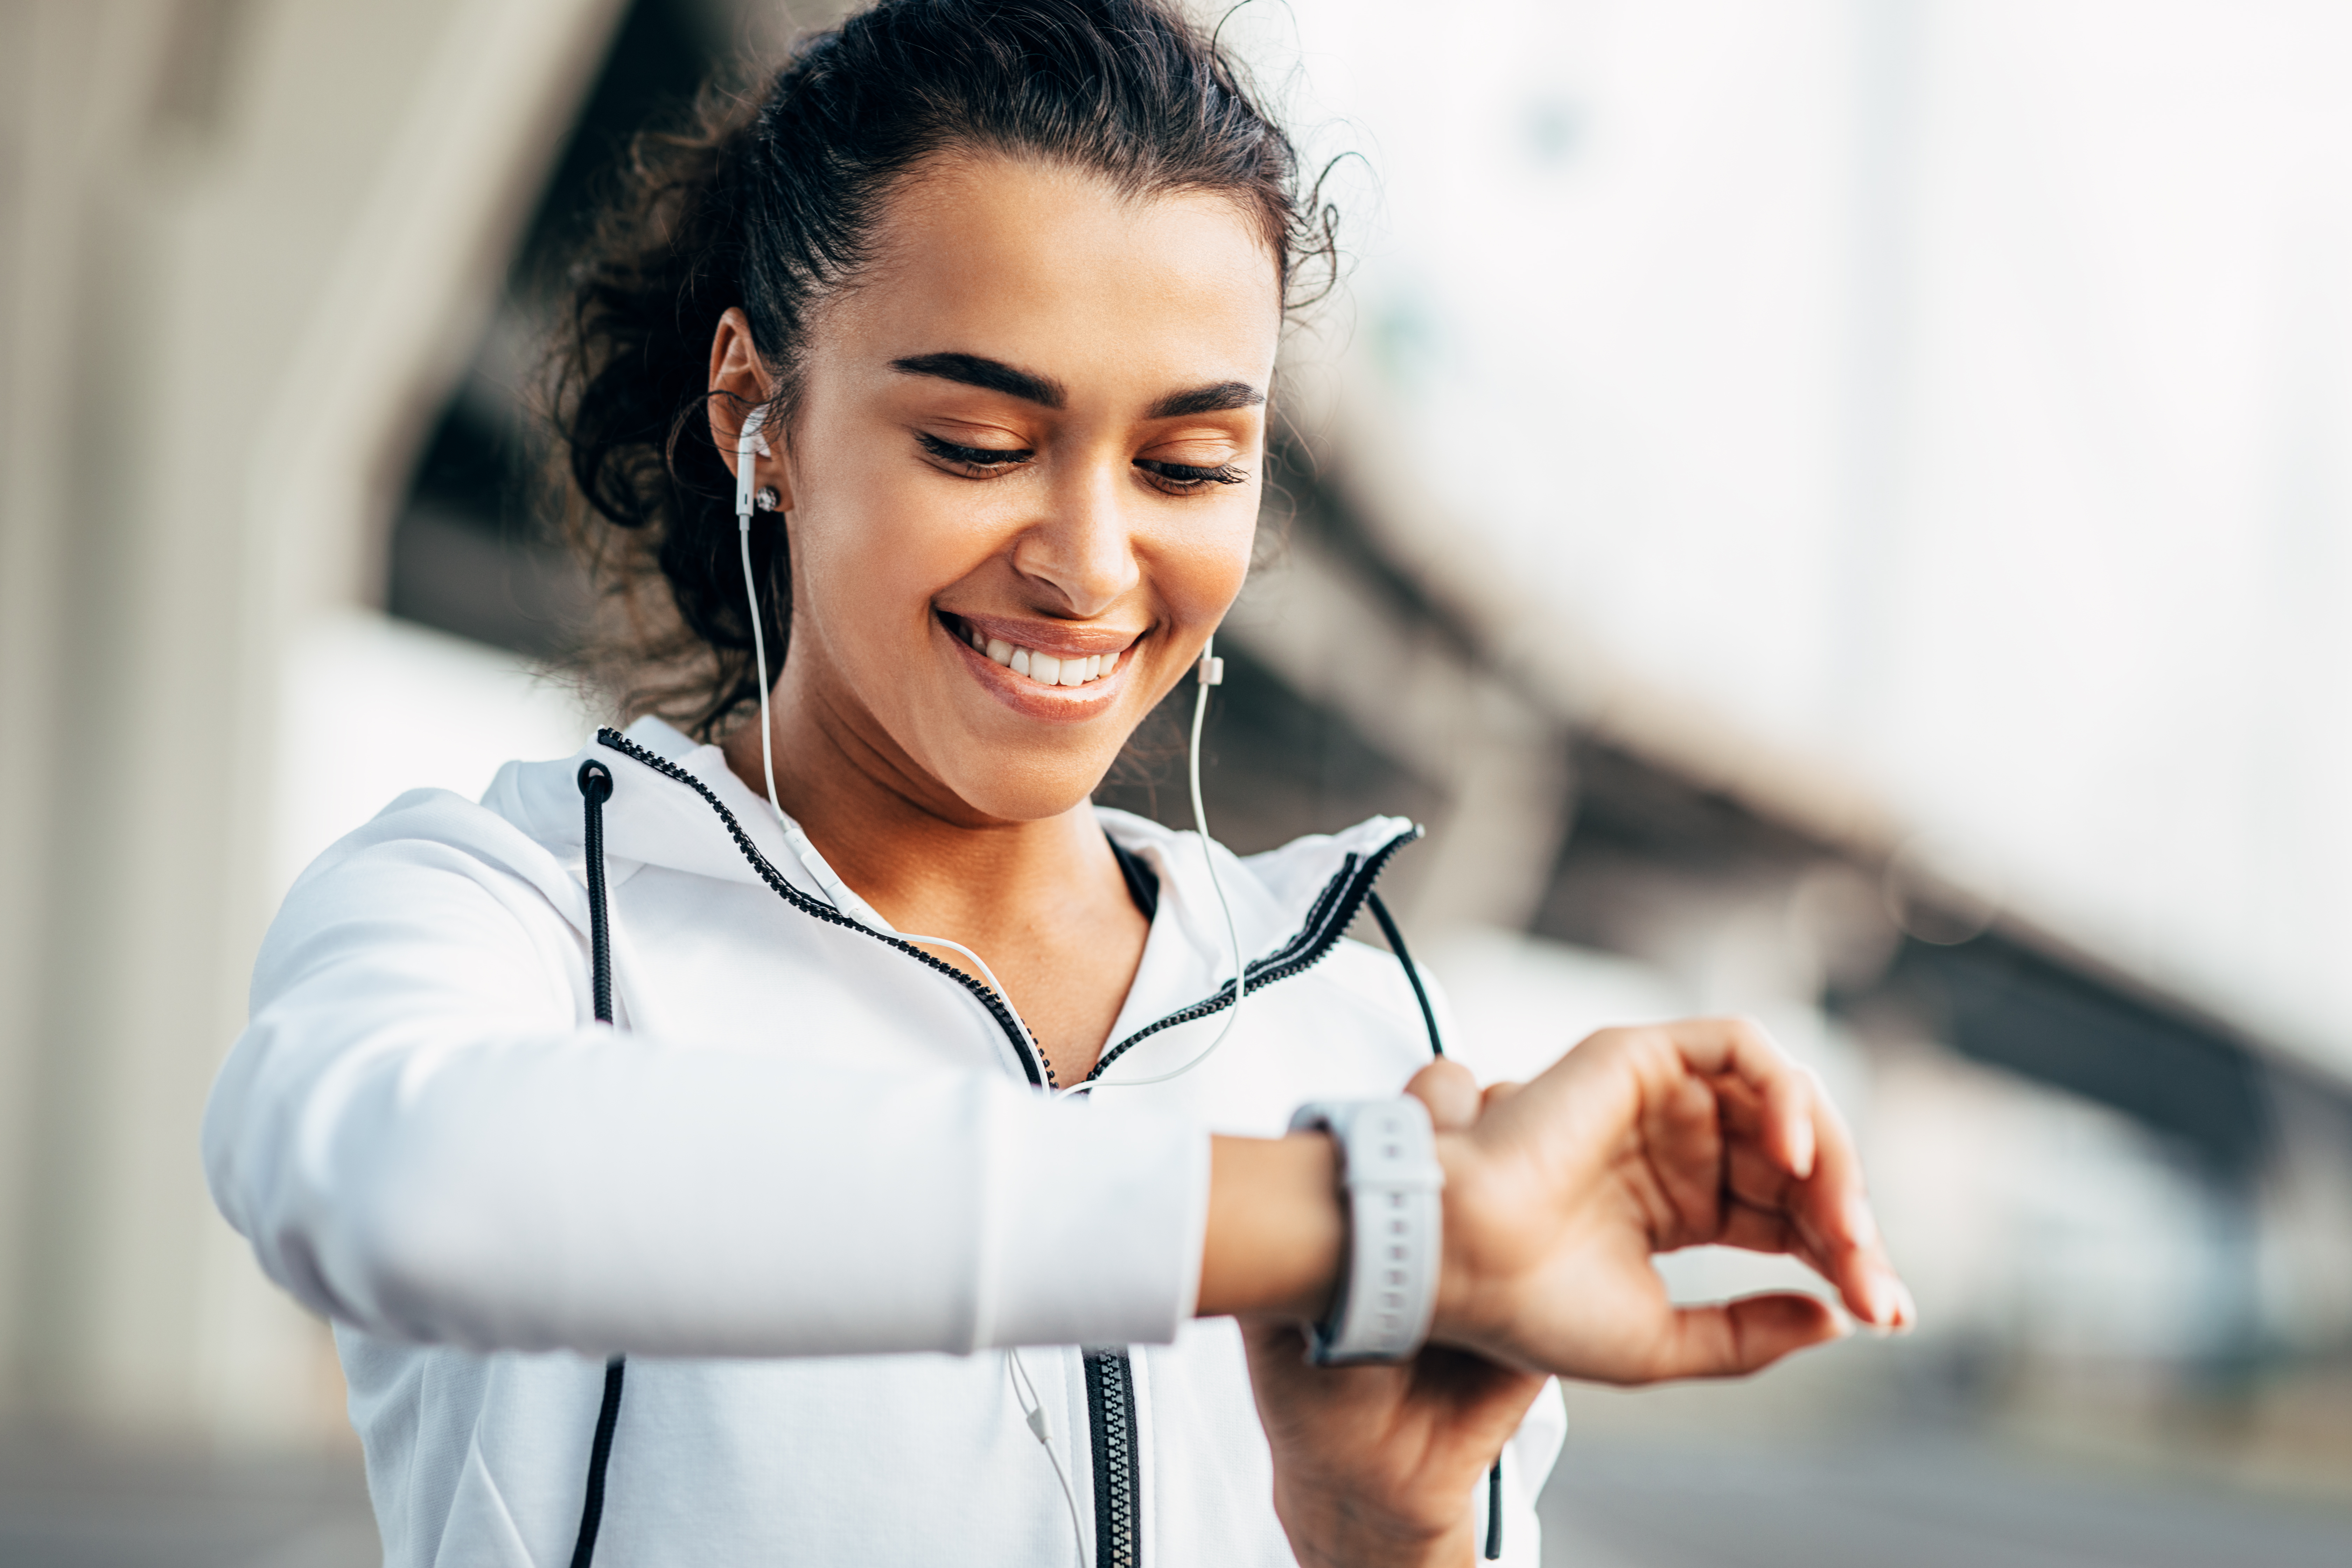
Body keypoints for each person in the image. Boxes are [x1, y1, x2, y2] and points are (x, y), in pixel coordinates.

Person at [202, 2, 1912, 1565]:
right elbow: (404, 1185)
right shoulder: (508, 906)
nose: (1092, 565)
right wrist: (1351, 1221)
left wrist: (1379, 1524)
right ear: (760, 413)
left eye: (1187, 463)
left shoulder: (1356, 1004)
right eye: (978, 443)